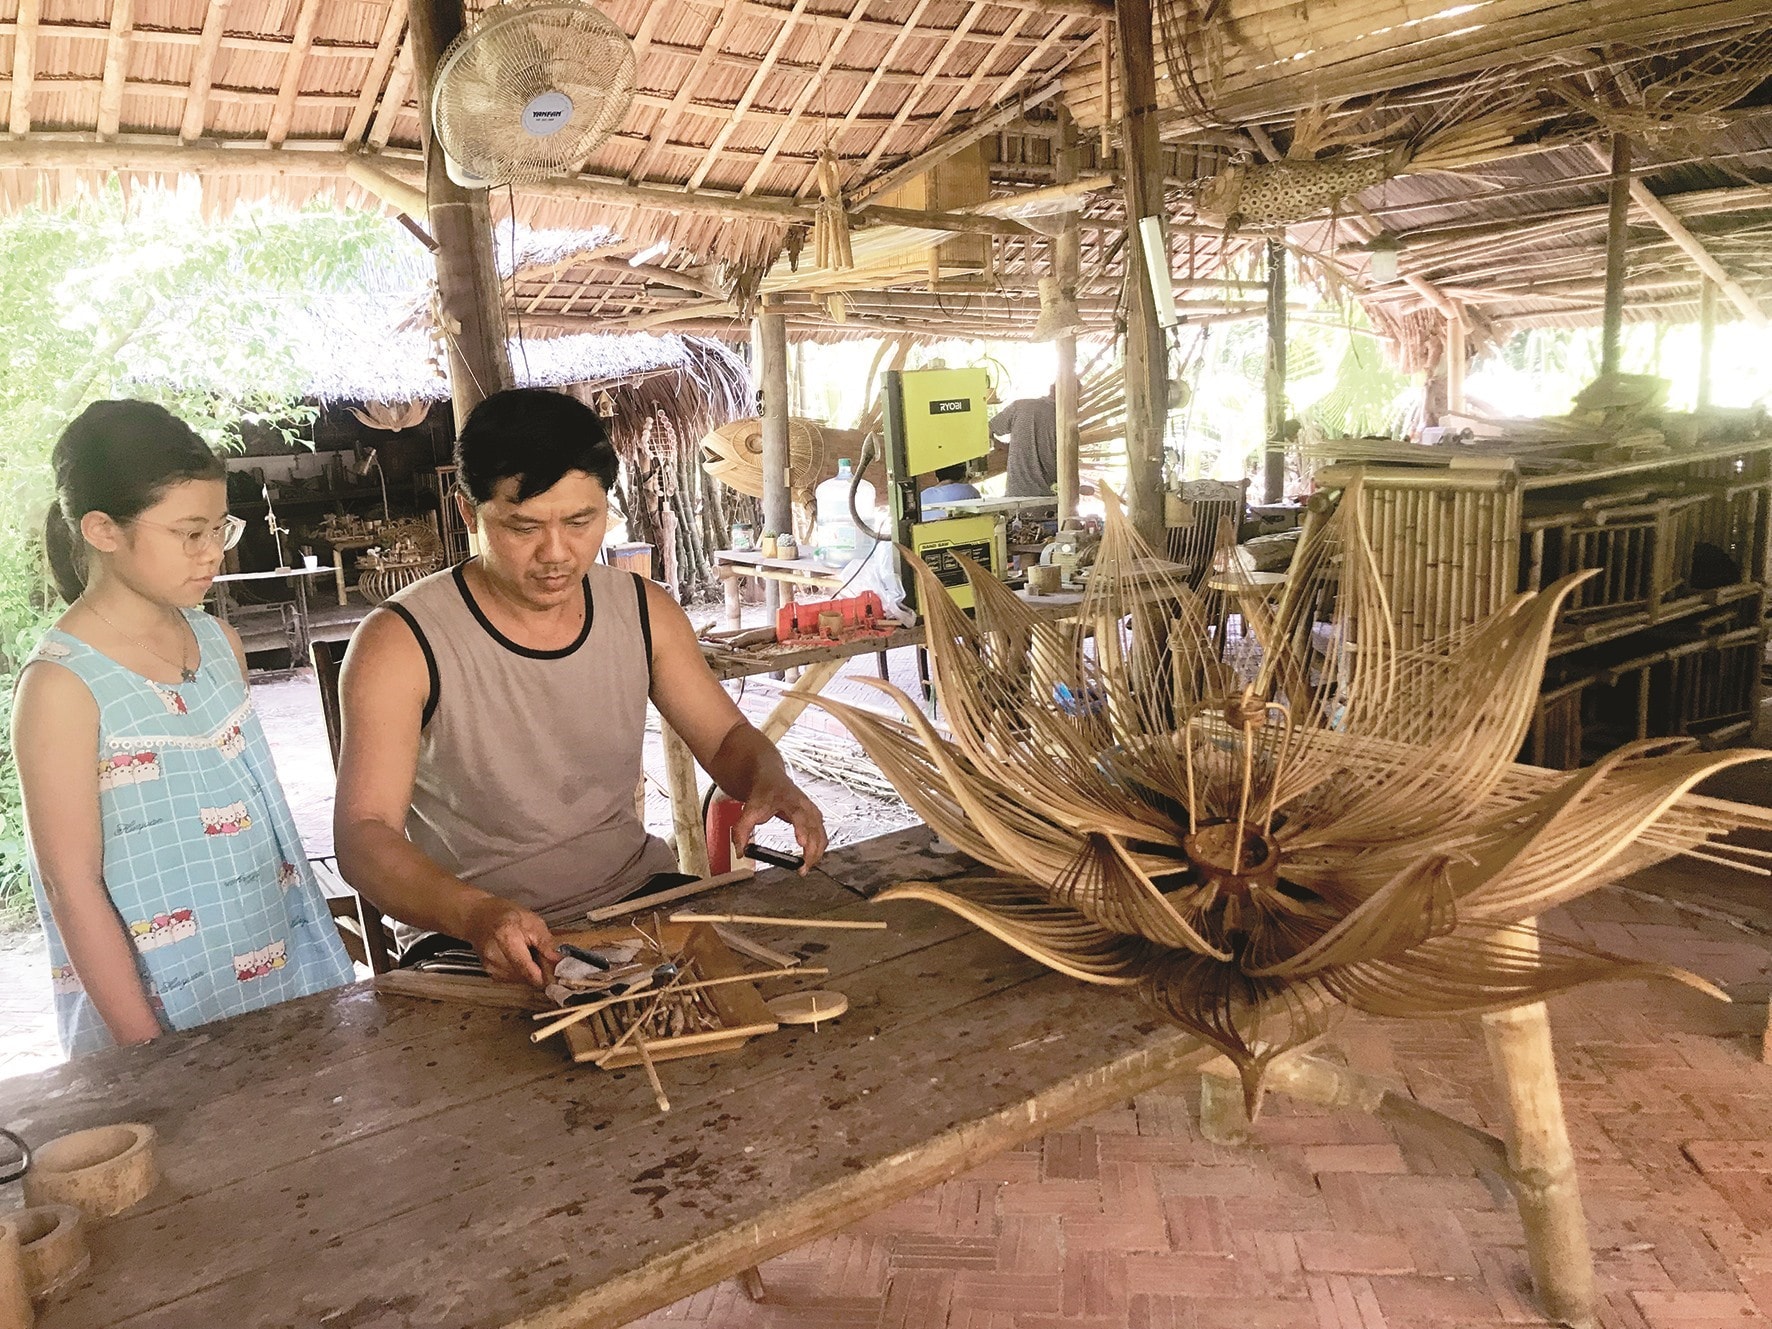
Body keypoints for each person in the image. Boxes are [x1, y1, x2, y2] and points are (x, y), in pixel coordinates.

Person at [334, 388, 827, 987]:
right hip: (470, 938)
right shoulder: (400, 641)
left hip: (638, 899)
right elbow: (364, 835)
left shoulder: (642, 610)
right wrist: (476, 914)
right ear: (469, 513)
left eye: (580, 521)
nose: (556, 554)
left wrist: (770, 781)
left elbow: (725, 738)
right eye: (522, 527)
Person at [13, 401, 356, 1057]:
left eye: (217, 530)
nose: (211, 556)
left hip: (278, 975)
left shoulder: (218, 640)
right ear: (103, 530)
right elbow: (70, 884)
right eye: (187, 533)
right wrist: (152, 1053)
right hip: (157, 1017)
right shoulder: (61, 686)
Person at [990, 387, 1059, 500]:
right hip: (1048, 498)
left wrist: (1002, 446)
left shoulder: (1020, 406)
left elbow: (987, 430)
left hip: (1015, 496)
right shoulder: (1064, 419)